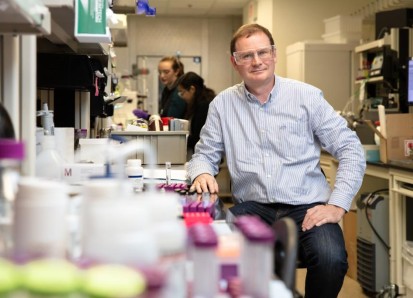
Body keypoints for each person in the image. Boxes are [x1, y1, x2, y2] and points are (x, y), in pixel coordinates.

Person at [187, 23, 366, 298]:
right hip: (253, 206)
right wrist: (201, 173)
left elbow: (350, 148)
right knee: (216, 250)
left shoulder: (307, 97)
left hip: (307, 205)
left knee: (331, 259)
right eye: (246, 55)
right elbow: (204, 155)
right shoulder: (222, 105)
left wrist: (338, 205)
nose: (256, 61)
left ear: (274, 54)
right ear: (234, 62)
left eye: (262, 52)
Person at [133, 56, 186, 121]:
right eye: (160, 72)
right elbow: (164, 115)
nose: (162, 76)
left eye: (166, 72)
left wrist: (148, 117)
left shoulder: (179, 92)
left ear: (176, 71)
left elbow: (171, 120)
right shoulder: (166, 90)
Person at [177, 71, 215, 155]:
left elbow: (198, 137)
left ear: (192, 89)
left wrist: (178, 139)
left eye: (182, 92)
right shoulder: (194, 103)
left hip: (205, 154)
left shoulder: (204, 106)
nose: (181, 96)